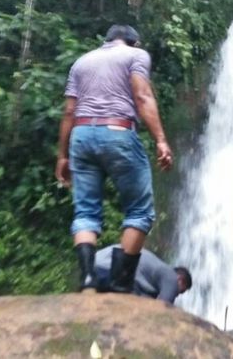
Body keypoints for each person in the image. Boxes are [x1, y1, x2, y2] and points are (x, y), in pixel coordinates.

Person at [55, 24, 173, 293]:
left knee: (85, 212)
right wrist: (161, 140)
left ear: (107, 40)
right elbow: (142, 96)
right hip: (118, 131)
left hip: (81, 136)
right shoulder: (135, 56)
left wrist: (62, 155)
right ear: (134, 42)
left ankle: (87, 280)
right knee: (140, 211)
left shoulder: (81, 62)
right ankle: (121, 285)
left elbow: (69, 112)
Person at [94, 245, 192, 304]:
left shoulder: (152, 273)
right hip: (107, 268)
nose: (177, 295)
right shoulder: (171, 276)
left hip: (95, 268)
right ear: (180, 279)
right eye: (181, 291)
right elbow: (164, 308)